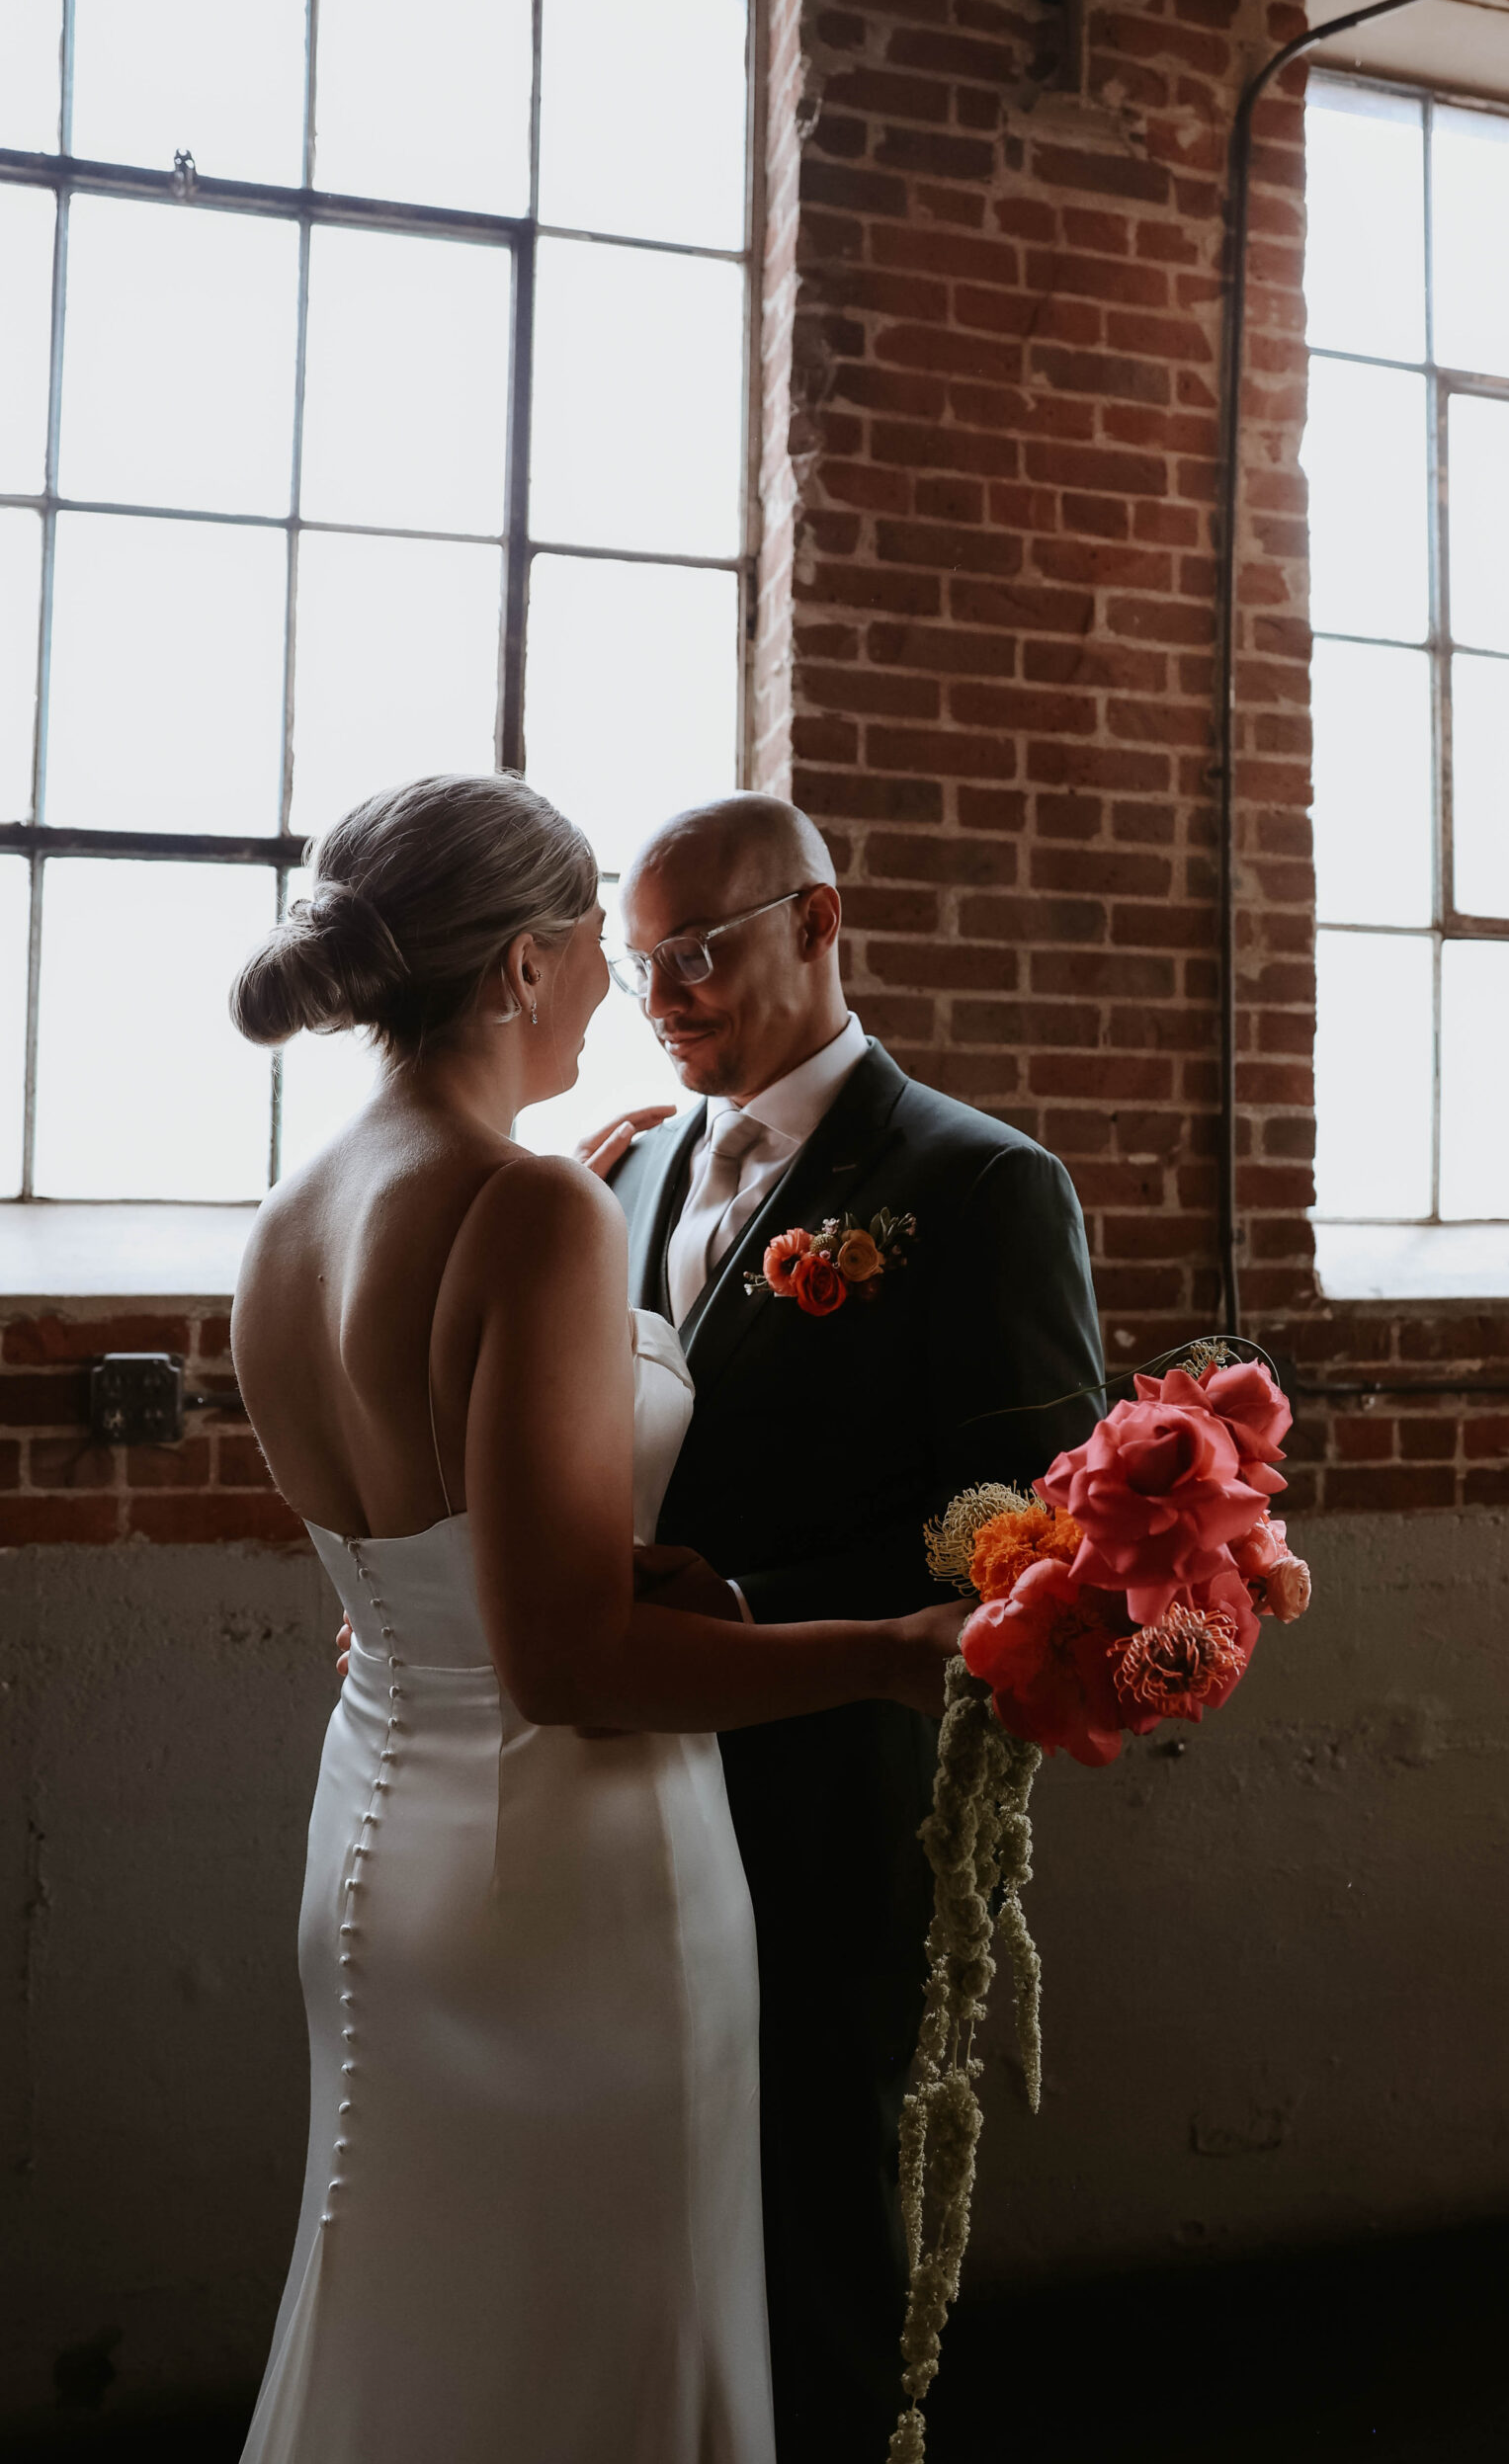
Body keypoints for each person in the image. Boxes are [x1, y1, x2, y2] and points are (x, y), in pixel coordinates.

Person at [227, 773, 964, 2464]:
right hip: (580, 1872)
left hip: (378, 1845)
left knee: (420, 2320)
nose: (629, 1000)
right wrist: (889, 1653)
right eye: (601, 955)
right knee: (608, 2351)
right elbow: (569, 1665)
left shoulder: (290, 1218)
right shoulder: (540, 1211)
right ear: (521, 970)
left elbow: (425, 1576)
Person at [589, 795, 1106, 2464]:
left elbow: (1021, 1524)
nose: (664, 998)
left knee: (814, 2186)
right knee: (653, 2182)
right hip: (621, 1761)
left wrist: (750, 1603)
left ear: (819, 921)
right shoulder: (634, 1166)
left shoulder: (977, 1184)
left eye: (699, 955)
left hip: (829, 1781)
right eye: (637, 966)